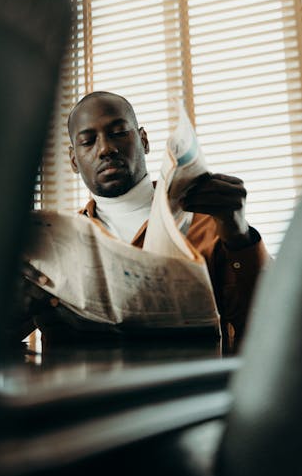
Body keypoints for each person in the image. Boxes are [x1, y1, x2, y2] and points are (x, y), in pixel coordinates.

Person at [16, 91, 269, 353]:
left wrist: (239, 235)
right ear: (73, 161)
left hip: (191, 390)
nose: (105, 149)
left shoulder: (212, 222)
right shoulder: (52, 244)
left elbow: (270, 327)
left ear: (144, 140)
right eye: (88, 141)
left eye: (118, 133)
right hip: (82, 391)